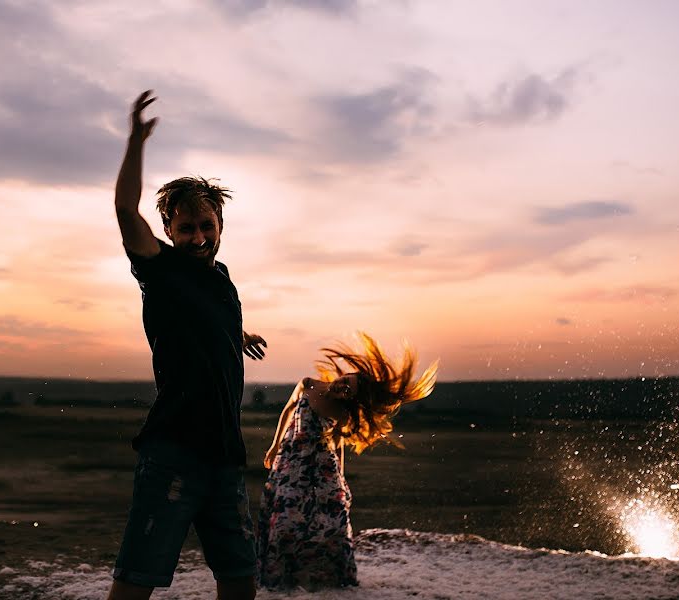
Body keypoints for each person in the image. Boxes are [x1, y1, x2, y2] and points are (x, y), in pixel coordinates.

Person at [107, 90, 266, 600]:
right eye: (186, 228)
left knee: (241, 579)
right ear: (170, 230)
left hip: (224, 457)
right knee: (136, 582)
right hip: (173, 453)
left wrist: (237, 335)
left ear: (219, 225)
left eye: (206, 226)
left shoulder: (221, 279)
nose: (198, 236)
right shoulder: (161, 270)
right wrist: (136, 141)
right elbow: (125, 209)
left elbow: (204, 319)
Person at [257, 332, 437, 590]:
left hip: (321, 468)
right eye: (344, 381)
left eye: (347, 391)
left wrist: (339, 476)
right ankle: (281, 577)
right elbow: (287, 411)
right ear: (344, 374)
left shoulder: (341, 413)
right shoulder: (307, 384)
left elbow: (337, 444)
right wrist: (274, 446)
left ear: (348, 399)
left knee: (331, 523)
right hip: (292, 462)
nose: (341, 387)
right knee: (286, 518)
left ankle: (328, 578)